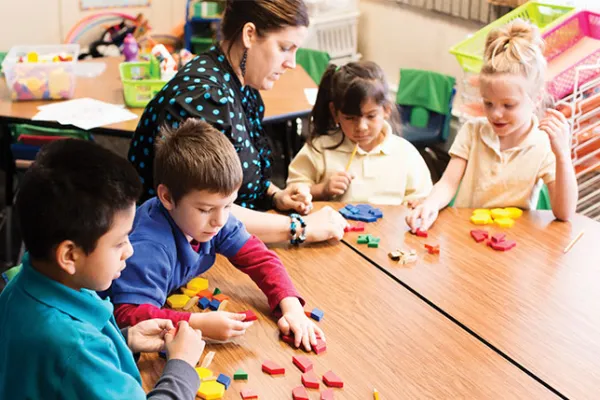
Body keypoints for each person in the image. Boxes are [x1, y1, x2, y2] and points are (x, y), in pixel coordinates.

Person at [0, 140, 206, 399]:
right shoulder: (79, 348)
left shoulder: (19, 286)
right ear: (69, 255)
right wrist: (182, 367)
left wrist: (122, 339)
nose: (129, 251)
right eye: (119, 241)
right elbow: (73, 355)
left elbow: (55, 370)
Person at [128, 0, 346, 245]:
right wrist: (299, 227)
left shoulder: (239, 82)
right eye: (285, 47)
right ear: (249, 34)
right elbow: (206, 211)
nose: (292, 63)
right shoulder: (204, 96)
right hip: (169, 250)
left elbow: (234, 175)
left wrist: (275, 195)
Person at [108, 119, 324, 351]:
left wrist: (291, 307)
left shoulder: (213, 220)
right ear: (168, 198)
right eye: (205, 209)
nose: (220, 220)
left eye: (229, 205)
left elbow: (261, 258)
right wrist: (196, 323)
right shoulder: (150, 247)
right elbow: (127, 316)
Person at [406, 19, 578, 231]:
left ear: (536, 98)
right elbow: (448, 183)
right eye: (488, 103)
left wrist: (562, 155)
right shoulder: (472, 131)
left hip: (512, 247)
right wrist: (430, 204)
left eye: (508, 105)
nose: (496, 114)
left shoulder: (544, 144)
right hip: (465, 238)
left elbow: (564, 212)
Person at [286, 61, 432, 205]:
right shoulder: (320, 149)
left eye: (371, 116)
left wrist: (418, 204)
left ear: (386, 109)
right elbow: (292, 194)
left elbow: (422, 198)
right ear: (335, 113)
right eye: (350, 118)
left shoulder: (405, 153)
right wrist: (322, 190)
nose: (361, 127)